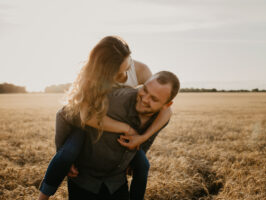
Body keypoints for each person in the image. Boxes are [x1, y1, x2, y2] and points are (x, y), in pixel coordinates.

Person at [38, 36, 171, 200]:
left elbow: (163, 110)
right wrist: (125, 128)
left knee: (142, 165)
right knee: (66, 155)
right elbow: (85, 117)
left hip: (117, 135)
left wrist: (141, 139)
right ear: (103, 70)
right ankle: (43, 196)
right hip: (90, 127)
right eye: (119, 73)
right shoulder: (91, 77)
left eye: (127, 67)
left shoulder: (141, 70)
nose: (124, 76)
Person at [62, 71, 180, 200]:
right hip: (84, 179)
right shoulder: (116, 99)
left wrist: (136, 155)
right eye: (144, 90)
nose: (145, 99)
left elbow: (146, 142)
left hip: (116, 183)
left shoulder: (160, 119)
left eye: (154, 99)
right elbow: (70, 113)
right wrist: (66, 156)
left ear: (167, 105)